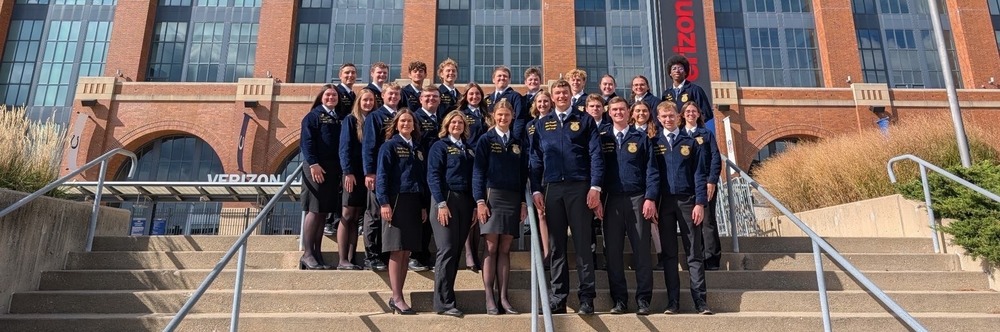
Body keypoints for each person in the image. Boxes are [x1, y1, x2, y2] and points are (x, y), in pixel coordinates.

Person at [529, 79, 604, 315]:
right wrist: (536, 189)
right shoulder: (542, 124)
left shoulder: (585, 120)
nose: (561, 96)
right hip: (552, 189)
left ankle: (586, 298)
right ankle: (558, 298)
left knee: (583, 244)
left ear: (571, 95)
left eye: (565, 92)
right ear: (552, 97)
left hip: (580, 187)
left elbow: (596, 155)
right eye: (557, 93)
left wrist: (595, 187)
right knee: (556, 246)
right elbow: (535, 159)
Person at [599, 97, 658, 315]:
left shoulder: (641, 138)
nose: (618, 113)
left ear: (629, 112)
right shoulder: (602, 138)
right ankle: (619, 300)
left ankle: (643, 300)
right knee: (613, 252)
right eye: (614, 110)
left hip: (637, 199)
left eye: (622, 109)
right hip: (611, 200)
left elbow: (652, 170)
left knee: (641, 250)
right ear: (609, 112)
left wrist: (650, 197)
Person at [652, 102, 712, 315]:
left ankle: (700, 301)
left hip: (688, 202)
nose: (668, 119)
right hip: (664, 204)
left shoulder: (690, 142)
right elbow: (652, 175)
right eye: (664, 116)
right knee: (669, 254)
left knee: (693, 253)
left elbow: (699, 174)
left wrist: (700, 203)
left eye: (671, 116)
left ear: (678, 117)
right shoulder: (654, 143)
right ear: (659, 119)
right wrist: (652, 201)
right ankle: (673, 302)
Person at [474, 99, 528, 316]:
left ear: (512, 116)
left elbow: (523, 173)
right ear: (493, 116)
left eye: (507, 115)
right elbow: (478, 172)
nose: (503, 118)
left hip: (512, 198)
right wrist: (480, 201)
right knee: (491, 247)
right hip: (492, 197)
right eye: (500, 115)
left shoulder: (518, 141)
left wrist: (523, 202)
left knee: (505, 249)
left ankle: (504, 298)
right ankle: (489, 297)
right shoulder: (486, 140)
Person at [376, 109, 428, 315]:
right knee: (397, 249)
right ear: (396, 124)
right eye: (402, 121)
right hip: (396, 201)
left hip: (414, 201)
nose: (406, 124)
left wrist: (423, 205)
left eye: (410, 121)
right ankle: (397, 297)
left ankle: (398, 295)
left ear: (414, 125)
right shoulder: (389, 146)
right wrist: (384, 203)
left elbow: (421, 178)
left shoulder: (418, 148)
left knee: (407, 251)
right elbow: (382, 176)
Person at [427, 110, 475, 317]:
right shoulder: (439, 147)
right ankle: (442, 303)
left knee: (455, 252)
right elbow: (433, 176)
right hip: (445, 200)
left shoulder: (469, 149)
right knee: (446, 250)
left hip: (465, 202)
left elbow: (474, 179)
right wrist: (441, 203)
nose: (457, 125)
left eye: (460, 123)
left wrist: (475, 205)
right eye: (453, 122)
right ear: (446, 125)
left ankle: (449, 298)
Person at [298, 84, 343, 270]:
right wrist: (314, 164)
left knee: (323, 212)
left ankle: (317, 253)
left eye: (334, 95)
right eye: (328, 95)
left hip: (332, 170)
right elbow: (307, 142)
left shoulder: (338, 118)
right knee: (314, 210)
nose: (331, 98)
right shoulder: (313, 116)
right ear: (321, 97)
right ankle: (307, 253)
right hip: (316, 168)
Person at [361, 83, 404, 271]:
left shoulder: (401, 116)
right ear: (383, 96)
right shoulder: (375, 117)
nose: (393, 97)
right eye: (390, 94)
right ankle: (372, 256)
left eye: (396, 94)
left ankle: (385, 254)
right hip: (378, 173)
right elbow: (369, 146)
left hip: (396, 174)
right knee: (374, 214)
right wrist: (369, 172)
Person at [336, 88, 377, 270]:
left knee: (356, 216)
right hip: (352, 173)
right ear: (358, 102)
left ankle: (351, 258)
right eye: (365, 100)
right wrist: (347, 172)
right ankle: (342, 259)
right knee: (347, 214)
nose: (368, 103)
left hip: (366, 173)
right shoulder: (351, 120)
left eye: (371, 100)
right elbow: (344, 147)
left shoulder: (374, 120)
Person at [681, 101, 723, 271]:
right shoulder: (679, 134)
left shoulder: (706, 134)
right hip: (686, 185)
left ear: (698, 114)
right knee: (691, 222)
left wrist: (712, 181)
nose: (691, 114)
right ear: (683, 114)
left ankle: (711, 258)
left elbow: (715, 158)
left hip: (705, 183)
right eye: (688, 111)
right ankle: (696, 257)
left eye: (694, 111)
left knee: (707, 221)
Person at [454, 82, 489, 272]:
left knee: (479, 206)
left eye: (477, 94)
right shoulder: (461, 114)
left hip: (484, 163)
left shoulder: (486, 114)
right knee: (470, 208)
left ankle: (476, 251)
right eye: (471, 94)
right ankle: (468, 253)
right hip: (468, 162)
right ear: (465, 96)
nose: (474, 97)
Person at [411, 86, 444, 272]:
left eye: (435, 97)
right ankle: (416, 256)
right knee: (419, 216)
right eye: (427, 96)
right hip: (420, 172)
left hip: (437, 173)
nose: (431, 99)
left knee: (430, 215)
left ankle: (425, 254)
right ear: (420, 99)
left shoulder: (441, 119)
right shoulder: (415, 118)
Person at [630, 101, 662, 270]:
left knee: (654, 221)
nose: (641, 114)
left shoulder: (657, 132)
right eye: (638, 111)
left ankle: (660, 255)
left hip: (653, 183)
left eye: (644, 111)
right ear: (632, 113)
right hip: (635, 185)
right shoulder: (628, 132)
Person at [525, 90, 552, 258]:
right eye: (539, 101)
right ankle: (546, 252)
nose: (542, 104)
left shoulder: (555, 121)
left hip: (553, 172)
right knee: (541, 213)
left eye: (545, 101)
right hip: (537, 172)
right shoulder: (530, 125)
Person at [661, 55, 713, 132]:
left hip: (692, 133)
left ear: (685, 72)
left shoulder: (695, 90)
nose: (677, 71)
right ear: (670, 73)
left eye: (680, 68)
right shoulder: (666, 94)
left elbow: (707, 113)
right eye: (674, 69)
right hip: (674, 132)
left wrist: (692, 125)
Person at [486, 66, 527, 141]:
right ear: (493, 79)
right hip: (490, 139)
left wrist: (515, 139)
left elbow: (519, 119)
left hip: (508, 138)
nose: (502, 78)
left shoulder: (515, 96)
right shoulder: (488, 99)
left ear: (509, 80)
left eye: (505, 76)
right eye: (499, 76)